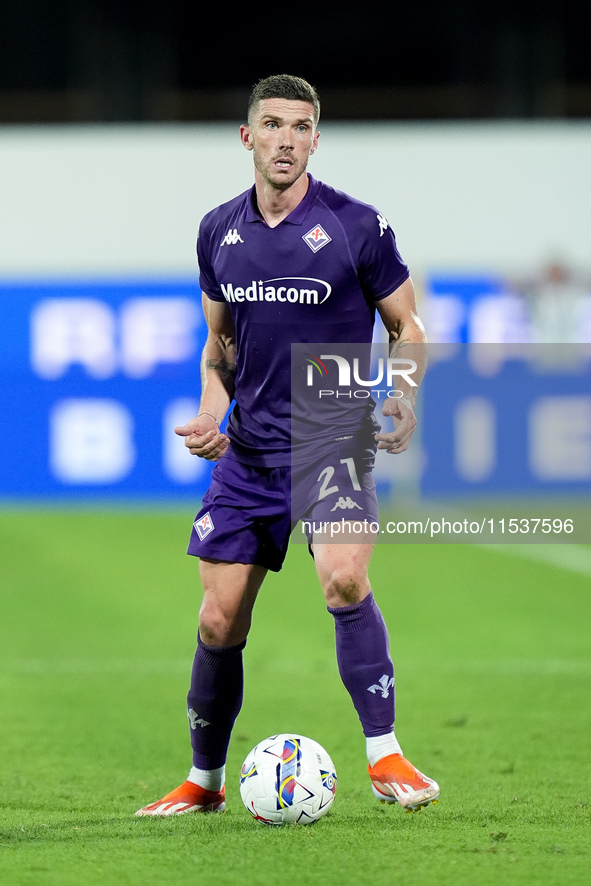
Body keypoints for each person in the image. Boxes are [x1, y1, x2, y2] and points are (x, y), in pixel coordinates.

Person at [136, 74, 439, 817]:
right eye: (272, 125)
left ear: (314, 138)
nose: (285, 139)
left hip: (332, 434)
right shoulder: (218, 231)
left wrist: (400, 395)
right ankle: (204, 782)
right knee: (218, 620)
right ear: (248, 136)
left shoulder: (356, 226)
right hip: (250, 453)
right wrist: (212, 413)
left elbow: (406, 328)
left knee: (342, 579)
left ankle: (385, 756)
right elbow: (219, 345)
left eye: (301, 127)